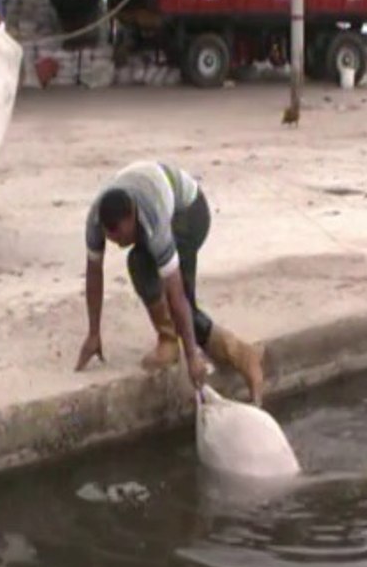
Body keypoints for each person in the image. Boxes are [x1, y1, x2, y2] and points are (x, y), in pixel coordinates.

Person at [74, 161, 265, 404]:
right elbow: (94, 274)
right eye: (112, 238)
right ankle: (169, 340)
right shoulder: (95, 220)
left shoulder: (154, 221)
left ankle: (243, 355)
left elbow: (177, 296)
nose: (119, 243)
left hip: (190, 212)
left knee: (177, 300)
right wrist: (93, 333)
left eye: (123, 236)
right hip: (156, 194)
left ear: (133, 216)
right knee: (139, 262)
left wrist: (192, 356)